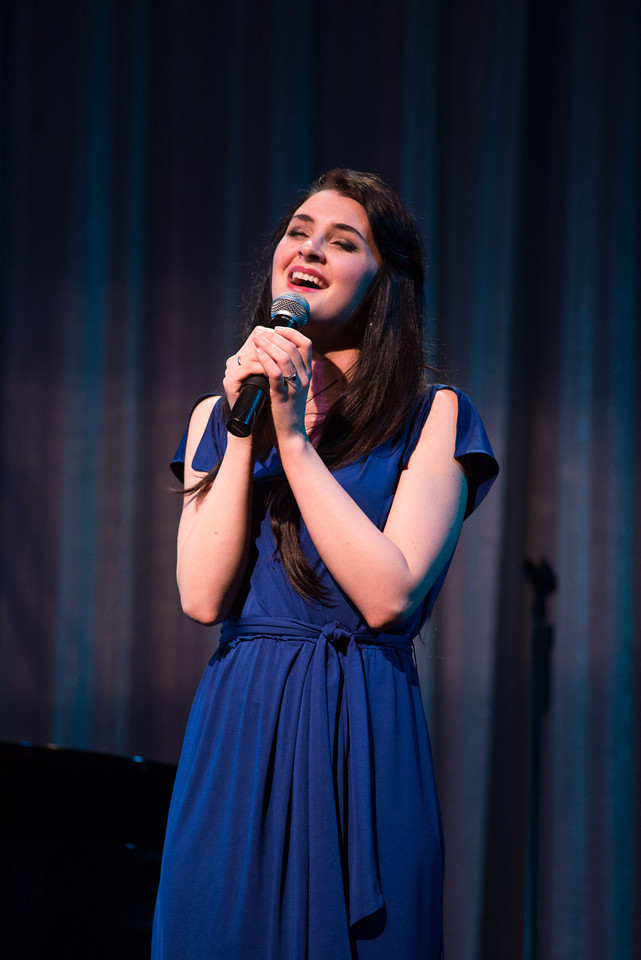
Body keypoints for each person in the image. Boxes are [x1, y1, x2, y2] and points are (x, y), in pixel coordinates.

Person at [151, 169, 498, 960]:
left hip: (361, 726)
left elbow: (388, 597)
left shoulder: (431, 414)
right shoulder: (220, 414)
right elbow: (202, 596)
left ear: (385, 285)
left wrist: (295, 439)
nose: (307, 248)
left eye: (342, 242)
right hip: (241, 720)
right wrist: (247, 431)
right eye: (298, 231)